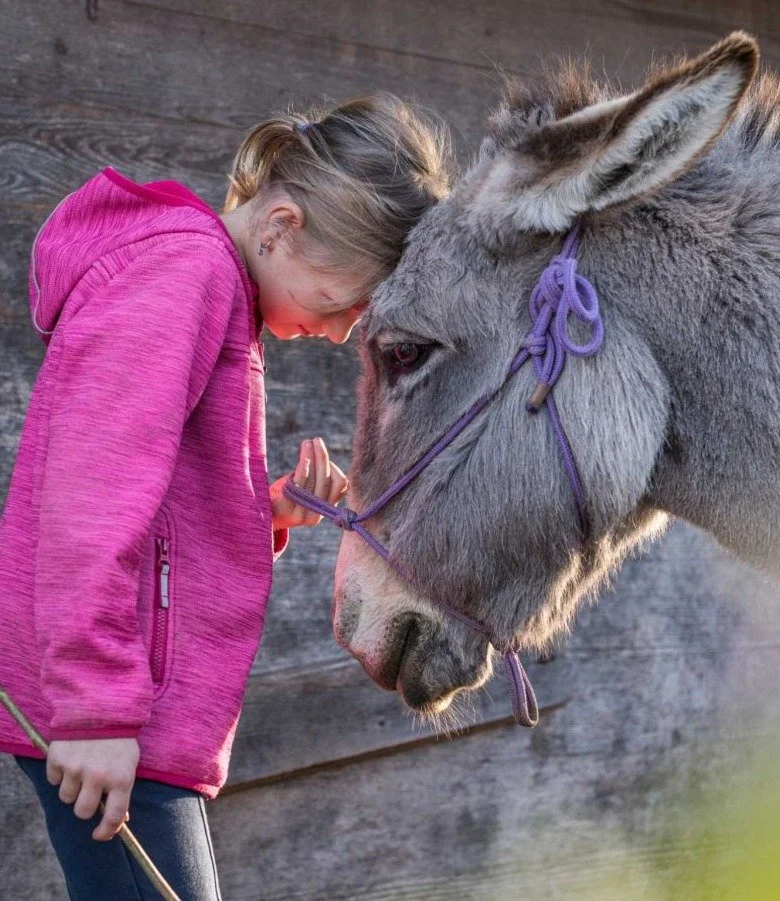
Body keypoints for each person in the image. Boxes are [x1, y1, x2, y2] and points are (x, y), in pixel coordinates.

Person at [0, 93, 451, 899]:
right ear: (280, 224)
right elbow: (90, 492)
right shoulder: (186, 271)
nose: (346, 329)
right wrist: (97, 709)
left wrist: (266, 505)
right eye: (342, 299)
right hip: (110, 706)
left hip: (137, 710)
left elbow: (153, 488)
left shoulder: (211, 284)